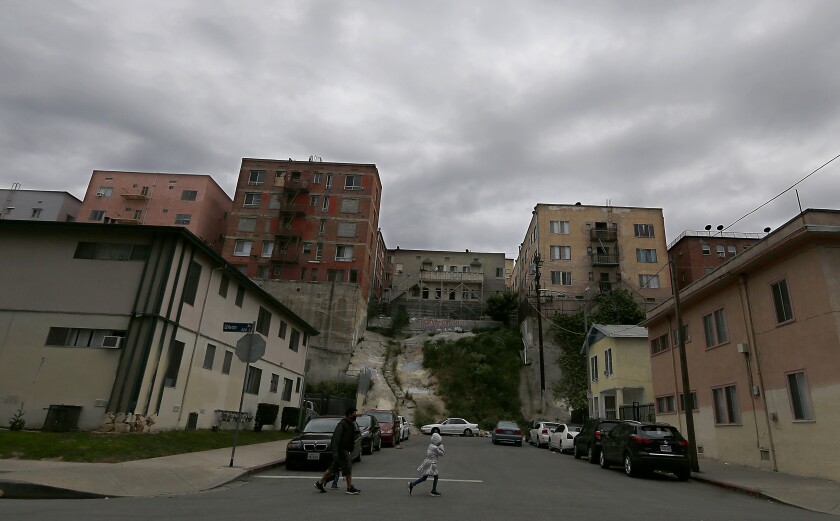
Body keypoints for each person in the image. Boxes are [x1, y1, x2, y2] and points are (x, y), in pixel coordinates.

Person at [315, 407, 361, 495]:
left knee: (332, 468)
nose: (355, 414)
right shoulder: (342, 424)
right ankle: (349, 487)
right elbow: (336, 438)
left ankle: (320, 483)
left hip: (345, 450)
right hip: (341, 450)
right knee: (348, 468)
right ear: (349, 414)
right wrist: (335, 452)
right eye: (354, 413)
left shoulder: (351, 424)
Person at [408, 432, 445, 497]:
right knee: (436, 476)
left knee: (424, 477)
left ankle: (412, 484)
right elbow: (442, 453)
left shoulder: (431, 445)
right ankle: (433, 491)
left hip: (427, 462)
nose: (440, 442)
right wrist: (441, 446)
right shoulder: (435, 448)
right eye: (439, 441)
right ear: (436, 441)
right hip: (431, 464)